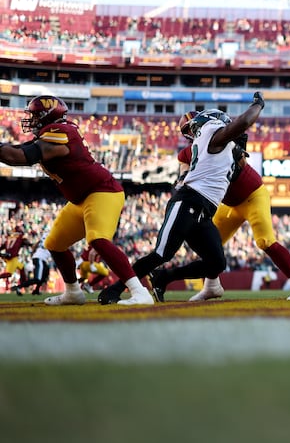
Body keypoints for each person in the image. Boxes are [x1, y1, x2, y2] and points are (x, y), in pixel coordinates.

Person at [98, 93, 266, 304]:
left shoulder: (219, 144)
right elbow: (244, 121)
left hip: (205, 210)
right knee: (161, 254)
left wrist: (239, 150)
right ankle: (116, 289)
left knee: (216, 263)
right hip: (189, 200)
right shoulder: (212, 136)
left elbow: (230, 171)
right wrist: (258, 105)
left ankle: (163, 278)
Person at [0, 95, 153, 305]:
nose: (31, 120)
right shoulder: (53, 132)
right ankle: (73, 292)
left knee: (98, 239)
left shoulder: (59, 133)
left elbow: (18, 157)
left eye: (35, 115)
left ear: (47, 115)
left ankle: (140, 292)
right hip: (80, 199)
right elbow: (18, 150)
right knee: (54, 244)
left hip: (103, 191)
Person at [174, 111, 290, 302]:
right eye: (192, 129)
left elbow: (236, 162)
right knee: (210, 245)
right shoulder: (186, 154)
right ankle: (211, 287)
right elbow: (183, 176)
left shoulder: (224, 142)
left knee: (265, 241)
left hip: (252, 196)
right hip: (229, 204)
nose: (197, 132)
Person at [11, 229, 52, 296]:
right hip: (40, 258)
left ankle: (36, 290)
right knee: (37, 279)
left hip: (41, 258)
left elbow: (38, 243)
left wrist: (33, 252)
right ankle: (18, 287)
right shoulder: (51, 237)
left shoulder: (46, 235)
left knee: (45, 276)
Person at [1, 225, 31, 291]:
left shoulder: (10, 238)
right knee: (9, 274)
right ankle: (24, 284)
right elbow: (25, 241)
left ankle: (24, 284)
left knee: (21, 267)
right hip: (12, 258)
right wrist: (30, 244)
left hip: (9, 256)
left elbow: (3, 246)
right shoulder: (19, 238)